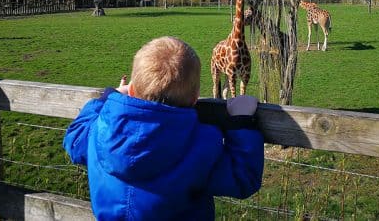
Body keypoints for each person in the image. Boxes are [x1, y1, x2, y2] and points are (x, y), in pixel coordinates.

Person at [63, 36, 264, 220]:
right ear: (195, 99)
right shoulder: (202, 145)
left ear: (131, 90)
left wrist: (109, 97)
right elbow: (242, 178)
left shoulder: (99, 129)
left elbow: (74, 138)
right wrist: (242, 122)